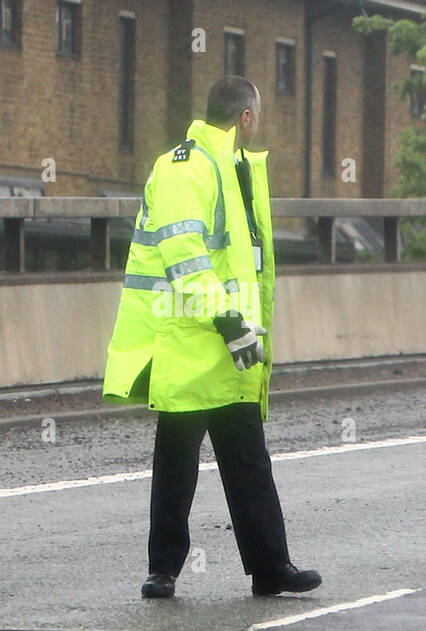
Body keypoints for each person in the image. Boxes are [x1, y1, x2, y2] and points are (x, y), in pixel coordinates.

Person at [102, 76, 321, 600]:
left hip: (231, 343)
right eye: (258, 115)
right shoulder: (186, 165)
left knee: (248, 459)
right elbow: (185, 255)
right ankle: (163, 570)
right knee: (177, 462)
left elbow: (243, 262)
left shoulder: (234, 168)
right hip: (190, 341)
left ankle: (271, 567)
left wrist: (241, 326)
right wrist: (227, 321)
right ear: (246, 117)